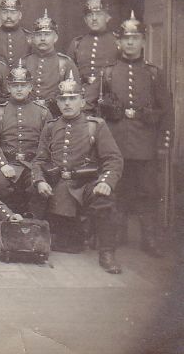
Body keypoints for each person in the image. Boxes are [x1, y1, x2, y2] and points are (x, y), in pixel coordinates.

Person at [32, 72, 124, 274]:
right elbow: (39, 160)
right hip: (58, 187)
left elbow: (113, 159)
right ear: (57, 102)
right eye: (63, 99)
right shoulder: (50, 127)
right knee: (69, 244)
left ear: (82, 102)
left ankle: (107, 253)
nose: (67, 103)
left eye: (73, 98)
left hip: (86, 185)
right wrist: (39, 181)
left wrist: (106, 182)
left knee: (105, 200)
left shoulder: (95, 126)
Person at [99, 11, 170, 256]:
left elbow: (165, 110)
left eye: (135, 38)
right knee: (117, 189)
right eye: (126, 38)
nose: (130, 42)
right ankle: (116, 234)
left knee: (147, 191)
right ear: (118, 42)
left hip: (144, 142)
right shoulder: (108, 72)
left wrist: (161, 143)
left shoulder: (153, 73)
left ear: (143, 42)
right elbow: (100, 109)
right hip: (117, 141)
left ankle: (149, 239)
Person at [0, 59, 52, 212]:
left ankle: (34, 227)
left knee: (37, 188)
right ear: (8, 87)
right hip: (8, 162)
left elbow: (49, 142)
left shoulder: (42, 112)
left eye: (23, 85)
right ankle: (6, 223)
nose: (19, 89)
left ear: (30, 87)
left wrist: (38, 166)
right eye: (15, 86)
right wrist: (2, 164)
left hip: (34, 164)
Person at [67, 0, 119, 114]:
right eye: (90, 15)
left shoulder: (118, 42)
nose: (94, 19)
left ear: (107, 17)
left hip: (108, 101)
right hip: (82, 101)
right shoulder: (77, 43)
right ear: (85, 20)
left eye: (99, 14)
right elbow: (69, 74)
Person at [24, 9, 80, 117]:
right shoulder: (26, 62)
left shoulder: (65, 62)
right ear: (33, 39)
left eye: (47, 34)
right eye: (39, 35)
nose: (43, 38)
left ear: (55, 38)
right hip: (28, 115)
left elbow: (75, 94)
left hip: (56, 115)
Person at [0, 0, 31, 69]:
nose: (8, 16)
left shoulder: (29, 37)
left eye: (13, 12)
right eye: (5, 12)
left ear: (20, 15)